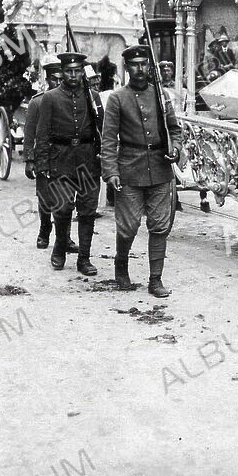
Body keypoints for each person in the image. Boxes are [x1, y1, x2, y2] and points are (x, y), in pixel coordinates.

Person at [101, 45, 182, 295]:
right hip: (129, 168)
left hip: (159, 168)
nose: (140, 69)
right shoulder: (117, 98)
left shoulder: (162, 95)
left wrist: (176, 149)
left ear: (150, 66)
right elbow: (108, 139)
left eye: (144, 64)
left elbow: (175, 130)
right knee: (128, 226)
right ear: (126, 67)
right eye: (135, 65)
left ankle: (155, 279)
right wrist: (111, 171)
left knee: (160, 225)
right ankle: (121, 263)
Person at [35, 52, 104, 276]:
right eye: (68, 71)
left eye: (77, 71)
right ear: (62, 72)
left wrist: (105, 158)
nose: (73, 75)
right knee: (62, 209)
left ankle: (84, 259)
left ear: (82, 71)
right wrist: (42, 164)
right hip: (61, 160)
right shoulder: (51, 97)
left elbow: (103, 132)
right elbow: (42, 133)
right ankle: (60, 244)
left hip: (88, 161)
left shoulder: (93, 96)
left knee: (87, 211)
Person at [24, 56, 77, 252]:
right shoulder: (38, 102)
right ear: (47, 79)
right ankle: (45, 229)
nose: (57, 82)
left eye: (59, 78)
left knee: (66, 200)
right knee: (46, 198)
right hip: (44, 156)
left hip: (66, 156)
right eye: (53, 79)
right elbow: (29, 134)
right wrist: (30, 160)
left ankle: (65, 237)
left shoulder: (70, 100)